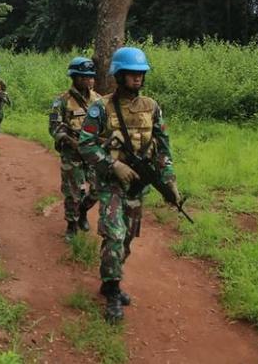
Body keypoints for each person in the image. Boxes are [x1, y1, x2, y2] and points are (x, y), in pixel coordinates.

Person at [77, 47, 179, 324]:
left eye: (141, 73)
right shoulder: (101, 107)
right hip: (110, 184)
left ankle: (109, 280)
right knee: (114, 235)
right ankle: (113, 292)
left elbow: (163, 148)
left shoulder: (153, 107)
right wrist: (113, 166)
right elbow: (85, 145)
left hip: (137, 186)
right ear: (119, 75)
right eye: (132, 73)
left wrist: (169, 181)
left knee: (128, 239)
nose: (137, 78)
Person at [49, 57, 102, 242]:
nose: (90, 80)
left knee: (97, 188)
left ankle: (83, 212)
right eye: (85, 77)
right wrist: (71, 141)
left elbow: (105, 125)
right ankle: (72, 224)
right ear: (75, 77)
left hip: (93, 153)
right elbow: (54, 127)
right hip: (72, 154)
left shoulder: (98, 100)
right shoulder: (62, 101)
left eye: (91, 77)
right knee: (72, 192)